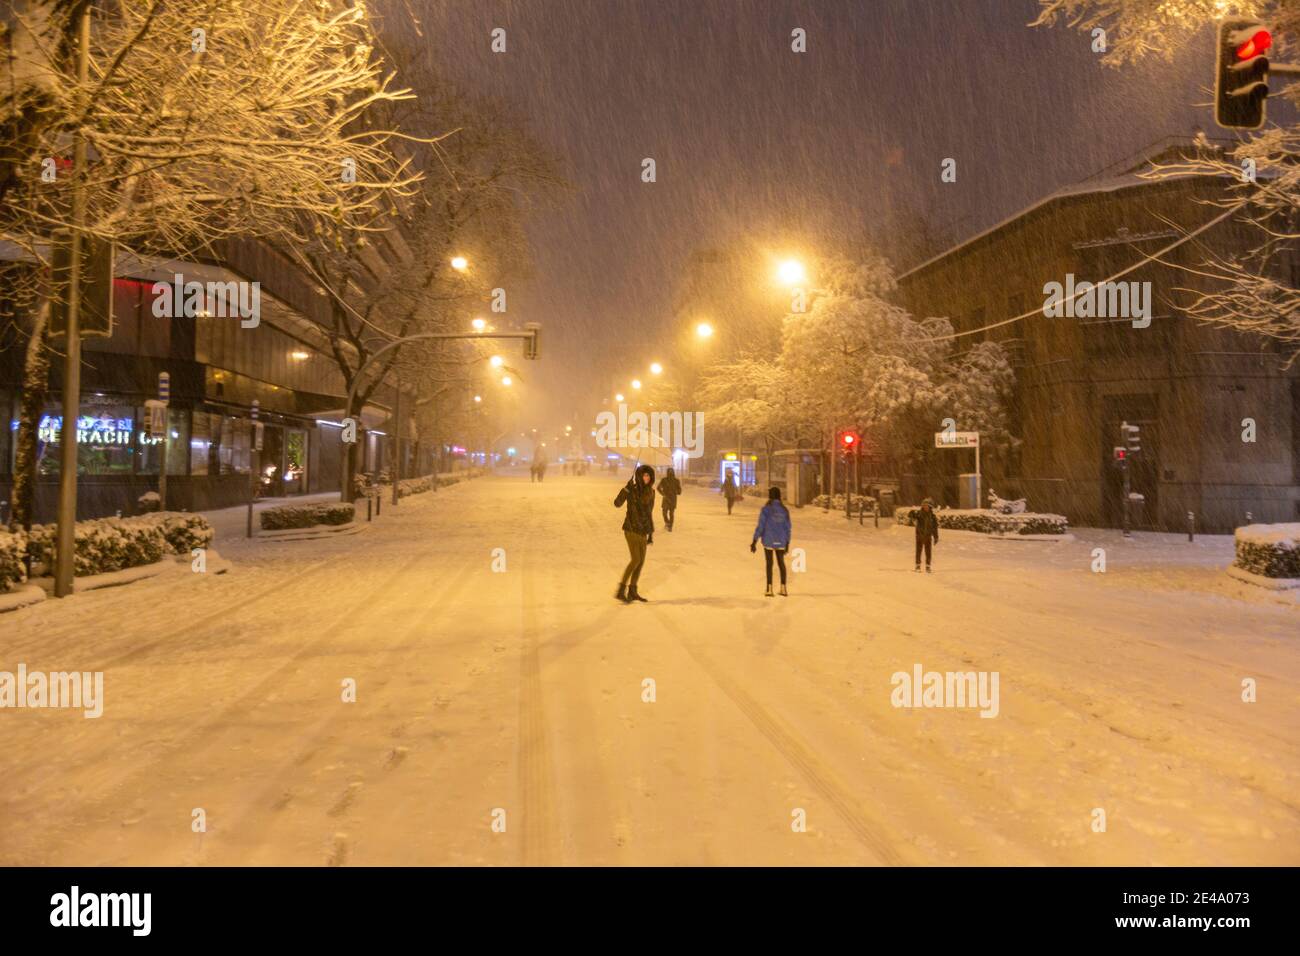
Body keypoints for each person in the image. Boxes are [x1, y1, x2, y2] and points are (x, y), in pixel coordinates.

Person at [614, 463, 656, 603]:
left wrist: (650, 532)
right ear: (639, 475)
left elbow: (649, 513)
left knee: (641, 561)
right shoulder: (631, 489)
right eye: (644, 475)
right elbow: (617, 503)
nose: (646, 478)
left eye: (649, 475)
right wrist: (625, 489)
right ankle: (621, 590)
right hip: (631, 529)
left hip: (643, 531)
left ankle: (633, 591)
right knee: (636, 559)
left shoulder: (651, 492)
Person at [750, 487, 792, 597]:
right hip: (781, 541)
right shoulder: (784, 510)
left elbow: (761, 526)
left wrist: (754, 540)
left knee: (769, 564)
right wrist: (787, 542)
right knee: (781, 563)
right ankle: (783, 588)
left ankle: (769, 589)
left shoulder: (766, 509)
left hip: (768, 540)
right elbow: (788, 528)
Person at [915, 497, 939, 573]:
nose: (925, 507)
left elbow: (935, 528)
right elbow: (912, 516)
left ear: (930, 507)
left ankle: (928, 566)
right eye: (924, 505)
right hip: (920, 536)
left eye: (927, 505)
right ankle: (917, 565)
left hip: (928, 536)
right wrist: (912, 514)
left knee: (928, 552)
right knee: (919, 551)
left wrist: (936, 537)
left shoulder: (932, 517)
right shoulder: (919, 514)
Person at [657, 467, 682, 531]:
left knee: (671, 513)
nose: (670, 473)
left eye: (671, 472)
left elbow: (679, 491)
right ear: (667, 472)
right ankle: (667, 523)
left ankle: (670, 526)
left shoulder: (676, 481)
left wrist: (676, 491)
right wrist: (663, 494)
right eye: (669, 471)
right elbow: (658, 488)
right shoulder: (664, 480)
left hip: (673, 499)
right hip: (666, 498)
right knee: (664, 513)